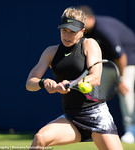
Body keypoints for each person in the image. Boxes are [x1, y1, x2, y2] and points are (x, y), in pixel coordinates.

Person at [26, 7, 123, 150]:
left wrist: (70, 84)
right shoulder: (50, 52)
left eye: (72, 32)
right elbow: (30, 83)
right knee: (40, 138)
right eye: (64, 30)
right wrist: (44, 82)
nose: (67, 35)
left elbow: (95, 78)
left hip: (97, 115)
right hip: (72, 118)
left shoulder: (89, 44)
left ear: (82, 31)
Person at [78, 5, 135, 144]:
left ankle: (131, 129)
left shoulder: (104, 29)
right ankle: (92, 128)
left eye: (82, 21)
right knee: (96, 92)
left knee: (125, 90)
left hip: (128, 60)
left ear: (90, 18)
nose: (79, 25)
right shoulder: (85, 32)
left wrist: (120, 79)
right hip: (108, 63)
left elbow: (121, 56)